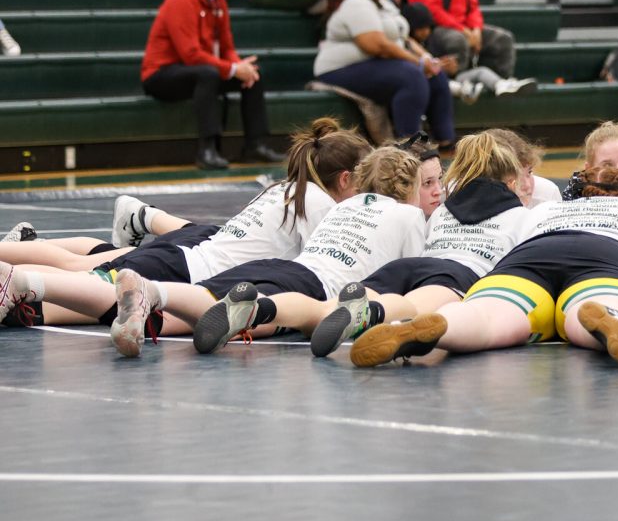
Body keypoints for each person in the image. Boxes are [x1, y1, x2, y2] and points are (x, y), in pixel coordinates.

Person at [0, 119, 371, 329]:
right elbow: (323, 268)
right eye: (364, 184)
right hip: (184, 271)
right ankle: (14, 281)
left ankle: (15, 278)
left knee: (84, 273)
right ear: (343, 179)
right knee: (88, 288)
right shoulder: (322, 205)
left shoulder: (285, 188)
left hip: (184, 256)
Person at [198, 131, 532, 356]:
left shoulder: (444, 213)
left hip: (404, 268)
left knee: (324, 307)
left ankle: (261, 308)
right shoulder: (522, 217)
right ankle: (371, 314)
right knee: (413, 307)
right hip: (454, 272)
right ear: (512, 181)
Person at [106, 147, 426, 358]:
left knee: (208, 299)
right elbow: (413, 278)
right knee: (255, 314)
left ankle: (155, 295)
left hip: (277, 265)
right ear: (409, 187)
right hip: (313, 286)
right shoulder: (409, 216)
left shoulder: (343, 207)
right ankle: (152, 293)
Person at [349, 164, 618, 370]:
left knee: (489, 317)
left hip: (531, 257)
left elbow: (509, 251)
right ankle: (610, 318)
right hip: (609, 258)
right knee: (595, 307)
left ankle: (440, 325)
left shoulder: (544, 212)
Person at [141, 0, 283, 170]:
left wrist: (240, 66)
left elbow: (226, 47)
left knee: (254, 72)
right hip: (161, 74)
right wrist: (233, 69)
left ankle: (255, 145)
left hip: (195, 70)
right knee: (208, 74)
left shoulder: (218, 1)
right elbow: (190, 55)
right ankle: (207, 149)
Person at [314, 0, 456, 154]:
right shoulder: (356, 3)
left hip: (378, 66)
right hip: (339, 69)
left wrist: (429, 60)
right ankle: (409, 145)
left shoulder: (386, 3)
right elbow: (377, 45)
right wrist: (419, 63)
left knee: (435, 76)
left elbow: (404, 39)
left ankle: (446, 141)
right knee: (411, 76)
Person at [399, 4, 536, 104]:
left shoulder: (435, 36)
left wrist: (453, 66)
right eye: (420, 29)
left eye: (427, 27)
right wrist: (441, 69)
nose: (425, 32)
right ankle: (465, 90)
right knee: (447, 82)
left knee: (481, 71)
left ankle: (500, 85)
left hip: (455, 76)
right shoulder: (407, 44)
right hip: (436, 80)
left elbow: (453, 64)